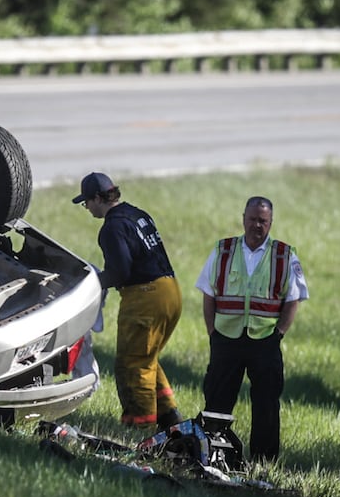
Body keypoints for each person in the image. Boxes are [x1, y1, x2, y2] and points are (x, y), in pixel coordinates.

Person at [195, 196, 307, 464]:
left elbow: (294, 299)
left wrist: (278, 334)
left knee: (267, 403)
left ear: (271, 223)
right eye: (253, 219)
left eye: (263, 221)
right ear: (243, 218)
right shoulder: (223, 250)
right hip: (226, 339)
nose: (257, 225)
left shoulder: (284, 254)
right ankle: (214, 453)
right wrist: (213, 333)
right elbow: (208, 294)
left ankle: (263, 461)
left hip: (264, 341)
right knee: (217, 399)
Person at [74, 172, 184, 429]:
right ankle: (170, 420)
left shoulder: (111, 228)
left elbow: (120, 272)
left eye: (87, 202)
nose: (87, 208)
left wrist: (91, 284)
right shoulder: (137, 214)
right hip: (170, 292)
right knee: (147, 359)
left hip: (145, 298)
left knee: (133, 365)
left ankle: (139, 428)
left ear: (100, 198)